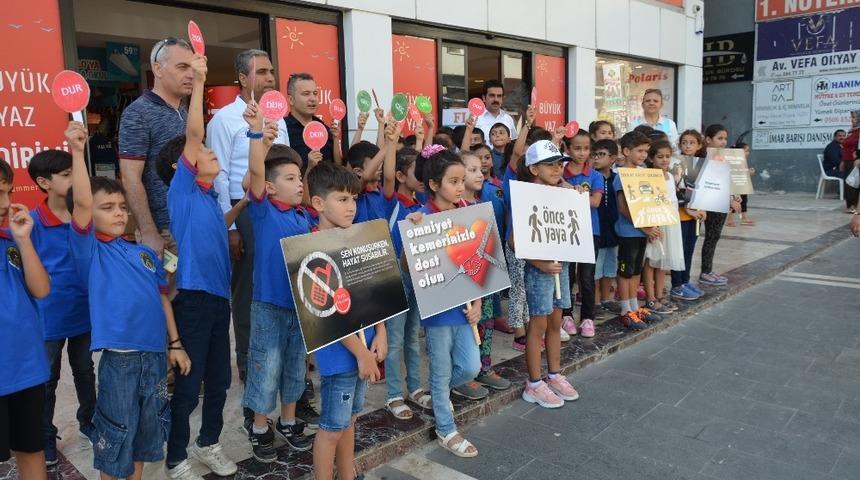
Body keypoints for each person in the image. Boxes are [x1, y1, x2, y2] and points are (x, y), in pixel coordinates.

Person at [68, 119, 191, 480]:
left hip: (154, 358)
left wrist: (176, 344)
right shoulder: (89, 250)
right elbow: (81, 203)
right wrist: (78, 152)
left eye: (123, 206)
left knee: (144, 439)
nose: (120, 213)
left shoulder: (142, 253)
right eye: (108, 207)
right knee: (116, 442)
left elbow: (162, 299)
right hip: (121, 361)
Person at [154, 53, 242, 480]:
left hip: (216, 300)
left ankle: (208, 443)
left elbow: (215, 227)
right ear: (182, 165)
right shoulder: (183, 190)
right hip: (191, 299)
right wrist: (201, 80)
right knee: (188, 387)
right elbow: (192, 132)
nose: (207, 151)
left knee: (220, 382)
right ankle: (175, 459)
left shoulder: (206, 198)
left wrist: (244, 202)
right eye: (201, 150)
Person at [207, 49, 289, 383]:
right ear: (243, 79)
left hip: (280, 210)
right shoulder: (224, 119)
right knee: (247, 289)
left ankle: (285, 354)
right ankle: (248, 360)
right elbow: (220, 175)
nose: (271, 79)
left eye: (272, 72)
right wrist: (230, 228)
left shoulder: (278, 118)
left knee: (281, 279)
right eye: (264, 72)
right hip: (245, 210)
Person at [241, 101, 315, 463]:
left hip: (299, 307)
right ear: (269, 187)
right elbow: (255, 172)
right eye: (289, 178)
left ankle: (288, 421)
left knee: (293, 368)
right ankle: (258, 426)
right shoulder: (263, 210)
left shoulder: (304, 218)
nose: (298, 184)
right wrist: (258, 134)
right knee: (264, 368)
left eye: (299, 178)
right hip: (268, 306)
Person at [307, 161, 387, 480]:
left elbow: (372, 294)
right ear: (318, 203)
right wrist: (362, 353)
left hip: (363, 348)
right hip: (340, 356)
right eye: (342, 199)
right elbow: (328, 314)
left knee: (350, 419)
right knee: (331, 427)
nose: (351, 206)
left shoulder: (354, 238)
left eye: (353, 198)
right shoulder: (311, 249)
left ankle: (348, 475)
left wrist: (379, 332)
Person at [406, 147, 482, 458]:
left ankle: (439, 395)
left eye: (462, 180)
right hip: (438, 309)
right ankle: (446, 428)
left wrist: (477, 302)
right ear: (434, 185)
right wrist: (413, 233)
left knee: (470, 366)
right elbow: (407, 266)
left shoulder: (467, 210)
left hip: (464, 306)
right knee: (440, 369)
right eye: (453, 181)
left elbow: (478, 260)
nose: (460, 187)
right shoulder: (421, 217)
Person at [26, 150, 96, 467]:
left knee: (85, 371)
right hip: (49, 317)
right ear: (44, 182)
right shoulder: (31, 222)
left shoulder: (83, 215)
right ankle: (44, 435)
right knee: (46, 381)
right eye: (66, 174)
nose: (73, 179)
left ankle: (89, 420)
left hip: (84, 310)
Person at [515, 140, 580, 410]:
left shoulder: (564, 193)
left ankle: (554, 374)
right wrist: (540, 264)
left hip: (560, 266)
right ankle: (534, 382)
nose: (557, 168)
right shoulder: (526, 196)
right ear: (533, 169)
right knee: (538, 326)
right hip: (539, 270)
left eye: (559, 163)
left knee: (556, 322)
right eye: (550, 164)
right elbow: (513, 241)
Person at [0, 158, 51, 480]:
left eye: (6, 192)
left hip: (26, 369)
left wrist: (23, 240)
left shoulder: (11, 243)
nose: (5, 203)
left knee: (32, 450)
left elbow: (41, 289)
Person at [119, 37, 193, 256]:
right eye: (182, 67)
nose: (190, 74)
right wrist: (148, 229)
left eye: (192, 67)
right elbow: (130, 176)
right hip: (166, 230)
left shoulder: (184, 110)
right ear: (158, 69)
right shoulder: (137, 113)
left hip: (192, 222)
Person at [459, 150, 509, 394]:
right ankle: (464, 374)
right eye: (472, 170)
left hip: (486, 277)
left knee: (486, 323)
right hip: (464, 282)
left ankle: (484, 367)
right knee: (467, 325)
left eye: (481, 169)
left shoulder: (482, 204)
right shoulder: (454, 209)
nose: (480, 174)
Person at [383, 147, 426, 420]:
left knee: (412, 336)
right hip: (396, 276)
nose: (422, 177)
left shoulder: (421, 202)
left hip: (418, 274)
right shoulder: (390, 202)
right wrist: (391, 140)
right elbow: (387, 177)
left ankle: (415, 387)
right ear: (400, 175)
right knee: (395, 339)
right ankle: (393, 394)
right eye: (416, 173)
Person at [614, 131, 663, 330]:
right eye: (640, 151)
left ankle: (635, 306)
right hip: (629, 232)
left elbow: (649, 203)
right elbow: (624, 208)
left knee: (636, 271)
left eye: (646, 151)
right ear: (626, 151)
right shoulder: (621, 176)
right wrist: (645, 228)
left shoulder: (643, 174)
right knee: (625, 272)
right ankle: (625, 310)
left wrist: (654, 224)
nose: (644, 155)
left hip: (642, 232)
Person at [561, 130, 603, 339]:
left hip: (589, 232)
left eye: (586, 148)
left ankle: (588, 317)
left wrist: (574, 194)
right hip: (566, 231)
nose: (582, 153)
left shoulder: (595, 176)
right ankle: (566, 315)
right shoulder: (559, 173)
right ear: (567, 149)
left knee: (587, 277)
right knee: (566, 274)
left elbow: (595, 202)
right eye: (577, 148)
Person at [641, 140, 684, 315]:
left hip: (670, 221)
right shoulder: (648, 176)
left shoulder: (670, 176)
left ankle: (660, 295)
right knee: (651, 260)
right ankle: (650, 297)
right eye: (660, 156)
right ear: (651, 158)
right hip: (655, 221)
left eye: (667, 156)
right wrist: (652, 225)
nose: (664, 160)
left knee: (663, 262)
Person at [698, 124, 741, 286]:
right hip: (705, 202)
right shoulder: (701, 159)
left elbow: (731, 180)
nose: (723, 142)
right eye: (719, 138)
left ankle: (707, 270)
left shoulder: (728, 158)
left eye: (725, 139)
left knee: (713, 236)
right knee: (701, 237)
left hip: (720, 202)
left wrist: (735, 195)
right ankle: (703, 272)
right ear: (708, 139)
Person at [669, 130, 706, 301]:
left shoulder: (702, 164)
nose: (688, 146)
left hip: (695, 216)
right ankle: (677, 285)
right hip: (681, 215)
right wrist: (688, 208)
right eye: (684, 142)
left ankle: (686, 280)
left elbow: (706, 189)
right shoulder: (676, 163)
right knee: (679, 252)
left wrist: (705, 206)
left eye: (692, 142)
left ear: (699, 145)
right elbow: (676, 189)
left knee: (690, 250)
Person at [284, 73, 342, 168]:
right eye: (306, 94)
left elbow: (337, 166)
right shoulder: (283, 128)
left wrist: (335, 139)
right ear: (291, 100)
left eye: (315, 94)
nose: (312, 99)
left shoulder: (324, 129)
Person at [591, 140, 621, 314]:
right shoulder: (592, 177)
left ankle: (607, 298)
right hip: (597, 228)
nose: (596, 158)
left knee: (610, 266)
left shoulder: (618, 179)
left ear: (612, 158)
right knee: (596, 266)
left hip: (614, 228)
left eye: (601, 155)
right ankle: (595, 302)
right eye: (594, 155)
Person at [474, 80, 518, 144]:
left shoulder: (508, 119)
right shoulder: (475, 119)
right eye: (492, 95)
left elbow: (514, 141)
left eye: (499, 96)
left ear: (502, 98)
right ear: (484, 98)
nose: (496, 99)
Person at [842, 110, 860, 214]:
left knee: (854, 183)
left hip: (855, 160)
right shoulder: (851, 131)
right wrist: (842, 161)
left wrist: (857, 157)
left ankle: (855, 206)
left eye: (854, 117)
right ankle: (850, 205)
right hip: (847, 160)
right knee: (849, 183)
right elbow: (845, 146)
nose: (852, 119)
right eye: (852, 117)